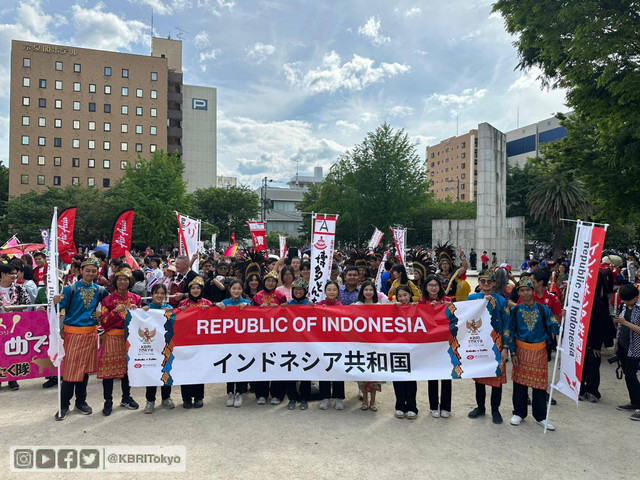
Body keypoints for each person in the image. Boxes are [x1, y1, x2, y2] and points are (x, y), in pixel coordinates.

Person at [53, 258, 109, 420]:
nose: (91, 273)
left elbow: (108, 306)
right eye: (88, 270)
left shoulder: (100, 290)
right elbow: (58, 309)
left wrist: (99, 316)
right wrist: (54, 302)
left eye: (94, 270)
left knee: (84, 371)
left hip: (90, 333)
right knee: (71, 370)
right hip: (73, 334)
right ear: (81, 271)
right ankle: (64, 405)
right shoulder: (70, 289)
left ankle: (81, 402)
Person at [509, 277, 560, 430]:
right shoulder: (515, 310)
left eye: (528, 290)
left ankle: (540, 417)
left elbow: (554, 327)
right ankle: (519, 412)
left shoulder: (543, 309)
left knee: (539, 386)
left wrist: (563, 320)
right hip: (521, 350)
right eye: (522, 290)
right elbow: (511, 332)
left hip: (539, 350)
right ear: (518, 292)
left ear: (533, 291)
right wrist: (513, 353)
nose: (525, 293)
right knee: (519, 384)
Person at [466, 270, 511, 424]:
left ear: (493, 283)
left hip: (496, 344)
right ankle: (480, 407)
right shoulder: (472, 298)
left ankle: (495, 409)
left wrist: (505, 347)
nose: (486, 284)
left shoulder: (501, 300)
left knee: (496, 378)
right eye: (483, 281)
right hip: (479, 343)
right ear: (478, 282)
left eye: (489, 282)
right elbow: (466, 318)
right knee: (479, 378)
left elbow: (506, 324)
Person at [98, 267, 141, 416]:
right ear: (115, 282)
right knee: (108, 372)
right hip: (112, 336)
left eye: (126, 279)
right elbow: (103, 323)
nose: (123, 282)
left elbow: (141, 322)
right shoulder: (108, 300)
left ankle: (126, 397)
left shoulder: (136, 299)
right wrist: (114, 311)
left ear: (130, 282)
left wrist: (137, 312)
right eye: (120, 279)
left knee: (127, 371)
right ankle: (108, 401)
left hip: (130, 338)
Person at [132, 283, 176, 414]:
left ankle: (166, 398)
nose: (159, 296)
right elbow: (136, 320)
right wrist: (136, 310)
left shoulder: (169, 308)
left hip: (167, 345)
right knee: (151, 371)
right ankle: (150, 400)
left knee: (166, 371)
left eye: (162, 293)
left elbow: (175, 321)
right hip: (151, 346)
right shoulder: (146, 309)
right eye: (157, 293)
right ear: (152, 294)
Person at [421, 274, 454, 418]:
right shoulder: (421, 302)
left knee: (447, 375)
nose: (433, 288)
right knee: (432, 375)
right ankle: (434, 406)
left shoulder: (447, 300)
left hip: (446, 343)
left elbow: (458, 315)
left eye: (436, 285)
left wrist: (450, 307)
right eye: (430, 285)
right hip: (429, 344)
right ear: (426, 287)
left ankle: (446, 407)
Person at [252, 270, 287, 404]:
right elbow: (251, 314)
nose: (270, 283)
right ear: (264, 282)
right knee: (263, 363)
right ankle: (261, 394)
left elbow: (286, 312)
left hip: (278, 336)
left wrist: (279, 307)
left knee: (277, 363)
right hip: (261, 336)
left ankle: (277, 394)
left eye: (273, 281)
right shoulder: (257, 296)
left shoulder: (280, 295)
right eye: (268, 280)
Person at [178, 276, 212, 409]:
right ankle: (186, 398)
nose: (196, 290)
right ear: (189, 289)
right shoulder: (182, 304)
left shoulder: (208, 304)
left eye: (198, 288)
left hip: (201, 343)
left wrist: (211, 310)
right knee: (185, 370)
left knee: (199, 370)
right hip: (185, 342)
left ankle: (199, 397)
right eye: (193, 288)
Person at [218, 279, 251, 407]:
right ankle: (230, 392)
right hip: (228, 341)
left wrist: (247, 306)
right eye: (233, 288)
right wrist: (218, 307)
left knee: (242, 365)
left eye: (239, 288)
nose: (236, 291)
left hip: (243, 341)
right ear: (229, 289)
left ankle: (240, 392)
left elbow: (256, 313)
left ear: (242, 290)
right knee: (230, 365)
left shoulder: (247, 302)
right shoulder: (225, 303)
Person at [0, 262, 33, 390]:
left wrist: (13, 308)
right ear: (2, 274)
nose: (14, 276)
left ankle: (13, 378)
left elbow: (27, 304)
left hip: (14, 324)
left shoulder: (20, 288)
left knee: (12, 351)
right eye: (11, 273)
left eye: (15, 273)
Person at [355, 281, 386, 411]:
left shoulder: (379, 306)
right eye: (366, 289)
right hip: (361, 345)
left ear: (374, 292)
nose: (368, 292)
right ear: (362, 292)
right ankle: (365, 400)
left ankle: (373, 401)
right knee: (363, 373)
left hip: (376, 345)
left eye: (370, 290)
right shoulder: (356, 306)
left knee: (374, 373)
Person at [579, 271, 609, 403]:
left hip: (592, 343)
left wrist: (596, 345)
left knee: (592, 367)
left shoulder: (599, 304)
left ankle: (592, 390)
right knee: (580, 367)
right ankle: (580, 389)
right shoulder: (579, 302)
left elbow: (602, 326)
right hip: (580, 340)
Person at [613, 284, 640, 421]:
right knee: (628, 375)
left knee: (631, 375)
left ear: (636, 297)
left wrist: (626, 323)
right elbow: (619, 326)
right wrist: (617, 343)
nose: (625, 302)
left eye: (628, 300)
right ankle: (634, 401)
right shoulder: (623, 306)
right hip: (624, 345)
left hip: (636, 348)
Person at [285, 278, 312, 410]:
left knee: (306, 371)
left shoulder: (310, 305)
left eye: (300, 289)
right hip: (290, 343)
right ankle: (292, 398)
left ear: (305, 291)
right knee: (290, 371)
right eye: (295, 289)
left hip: (305, 344)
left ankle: (304, 398)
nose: (298, 292)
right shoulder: (287, 305)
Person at [317, 281, 345, 409]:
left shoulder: (342, 306)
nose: (332, 292)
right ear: (325, 291)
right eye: (329, 289)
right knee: (325, 369)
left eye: (334, 289)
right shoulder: (319, 305)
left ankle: (339, 397)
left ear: (338, 292)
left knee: (338, 370)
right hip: (322, 343)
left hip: (338, 343)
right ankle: (325, 397)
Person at [393, 285, 418, 419]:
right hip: (396, 348)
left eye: (405, 295)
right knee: (397, 377)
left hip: (412, 348)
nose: (403, 298)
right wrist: (392, 307)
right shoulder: (393, 308)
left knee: (410, 378)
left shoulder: (417, 307)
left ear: (410, 295)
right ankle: (400, 406)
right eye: (400, 296)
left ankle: (412, 406)